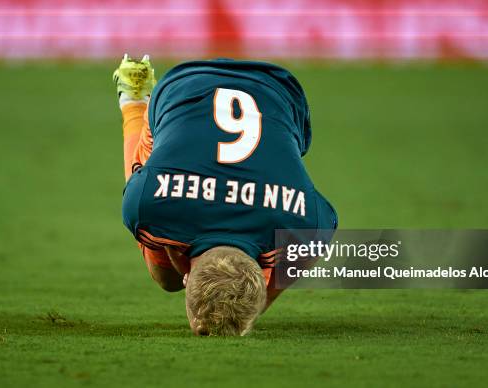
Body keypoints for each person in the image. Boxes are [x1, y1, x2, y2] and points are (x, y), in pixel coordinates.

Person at [113, 55, 337, 336]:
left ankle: (135, 103)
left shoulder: (305, 224)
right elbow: (138, 180)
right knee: (165, 276)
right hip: (189, 87)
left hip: (274, 91)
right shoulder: (146, 206)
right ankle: (134, 100)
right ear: (185, 270)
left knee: (163, 264)